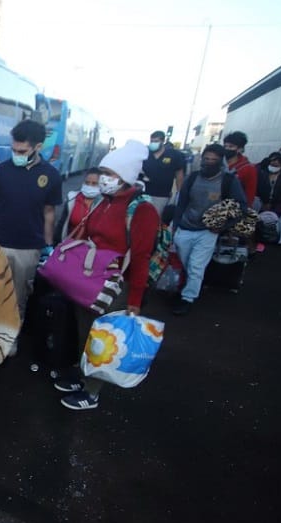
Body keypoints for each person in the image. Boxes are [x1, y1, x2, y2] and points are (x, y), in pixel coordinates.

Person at [51, 140, 159, 410]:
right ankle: (83, 374)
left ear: (125, 177)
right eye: (103, 173)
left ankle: (92, 392)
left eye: (110, 174)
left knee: (102, 336)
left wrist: (135, 299)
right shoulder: (103, 201)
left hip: (115, 284)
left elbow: (142, 256)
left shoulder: (142, 209)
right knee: (83, 330)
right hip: (89, 278)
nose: (103, 179)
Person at [0, 119, 63, 322]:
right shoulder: (1, 170)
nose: (16, 155)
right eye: (14, 150)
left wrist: (48, 245)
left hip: (28, 249)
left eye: (22, 151)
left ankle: (11, 338)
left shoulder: (51, 176)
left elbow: (49, 212)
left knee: (18, 297)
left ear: (38, 147)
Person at [171, 143, 247, 316]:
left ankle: (187, 299)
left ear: (220, 162)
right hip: (185, 228)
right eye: (206, 159)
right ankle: (185, 286)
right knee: (186, 263)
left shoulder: (228, 182)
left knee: (196, 266)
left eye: (213, 160)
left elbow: (241, 207)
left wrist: (224, 226)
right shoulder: (193, 178)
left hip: (207, 232)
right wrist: (176, 225)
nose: (208, 162)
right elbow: (181, 202)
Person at [142, 130, 186, 216]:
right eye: (151, 141)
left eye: (156, 141)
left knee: (155, 218)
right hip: (144, 193)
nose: (153, 143)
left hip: (162, 195)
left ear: (162, 141)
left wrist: (179, 192)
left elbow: (179, 174)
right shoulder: (146, 153)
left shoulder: (173, 155)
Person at [55, 167, 101, 239]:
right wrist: (56, 244)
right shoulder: (72, 198)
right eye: (87, 182)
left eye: (94, 183)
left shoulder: (103, 203)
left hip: (89, 248)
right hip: (69, 245)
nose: (90, 186)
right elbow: (62, 223)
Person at [222, 131, 258, 208]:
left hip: (233, 207)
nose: (227, 149)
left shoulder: (248, 168)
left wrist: (245, 209)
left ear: (240, 149)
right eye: (225, 146)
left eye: (231, 146)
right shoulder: (218, 163)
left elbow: (250, 192)